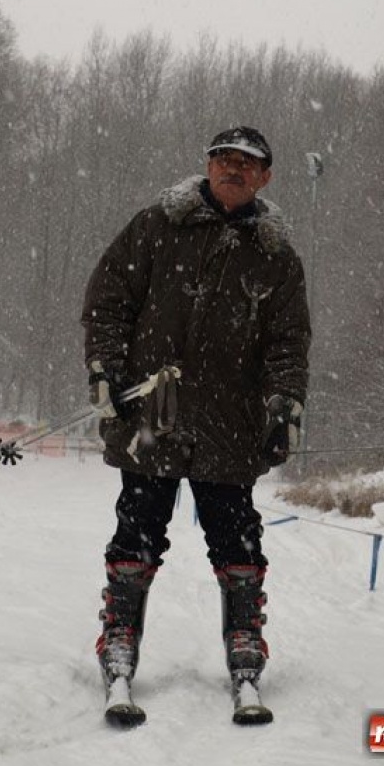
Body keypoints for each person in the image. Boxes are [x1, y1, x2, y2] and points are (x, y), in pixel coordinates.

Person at [82, 125, 311, 719]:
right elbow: (109, 300)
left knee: (237, 539)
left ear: (265, 177)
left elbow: (288, 341)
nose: (233, 169)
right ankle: (120, 640)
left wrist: (284, 403)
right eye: (224, 159)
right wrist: (106, 368)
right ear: (208, 166)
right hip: (151, 414)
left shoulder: (276, 256)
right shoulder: (157, 226)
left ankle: (245, 644)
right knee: (136, 531)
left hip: (231, 424)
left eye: (247, 163)